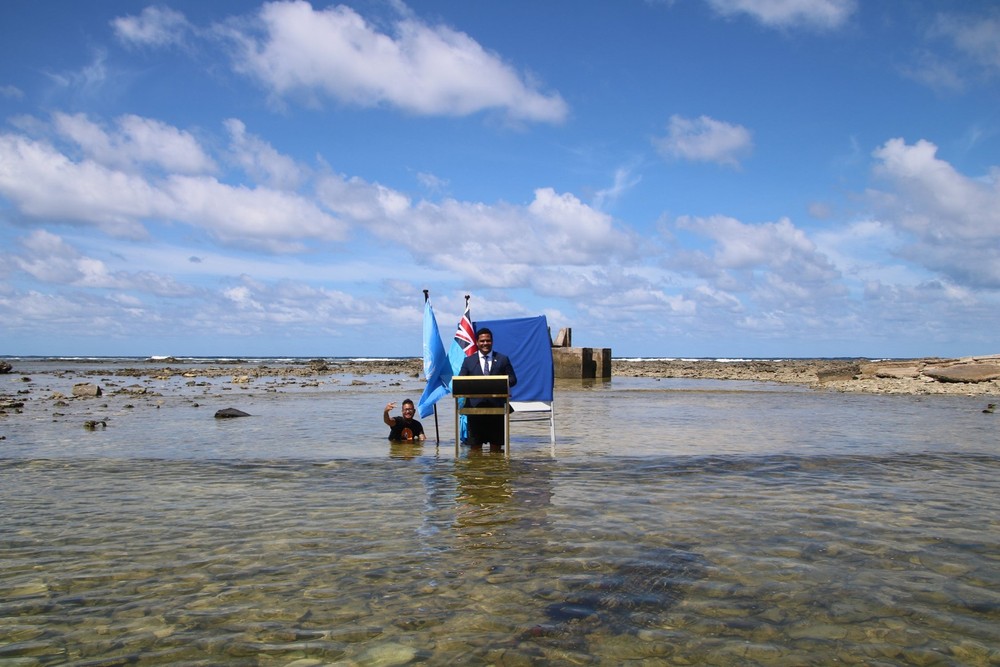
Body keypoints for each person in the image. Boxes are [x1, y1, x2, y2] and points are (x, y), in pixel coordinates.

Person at [459, 328, 517, 448]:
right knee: (475, 450)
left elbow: (513, 379)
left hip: (496, 409)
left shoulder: (502, 359)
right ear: (477, 342)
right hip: (474, 410)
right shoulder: (468, 361)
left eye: (488, 340)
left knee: (496, 449)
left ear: (492, 341)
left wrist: (498, 384)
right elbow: (461, 381)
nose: (485, 343)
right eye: (482, 341)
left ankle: (495, 467)